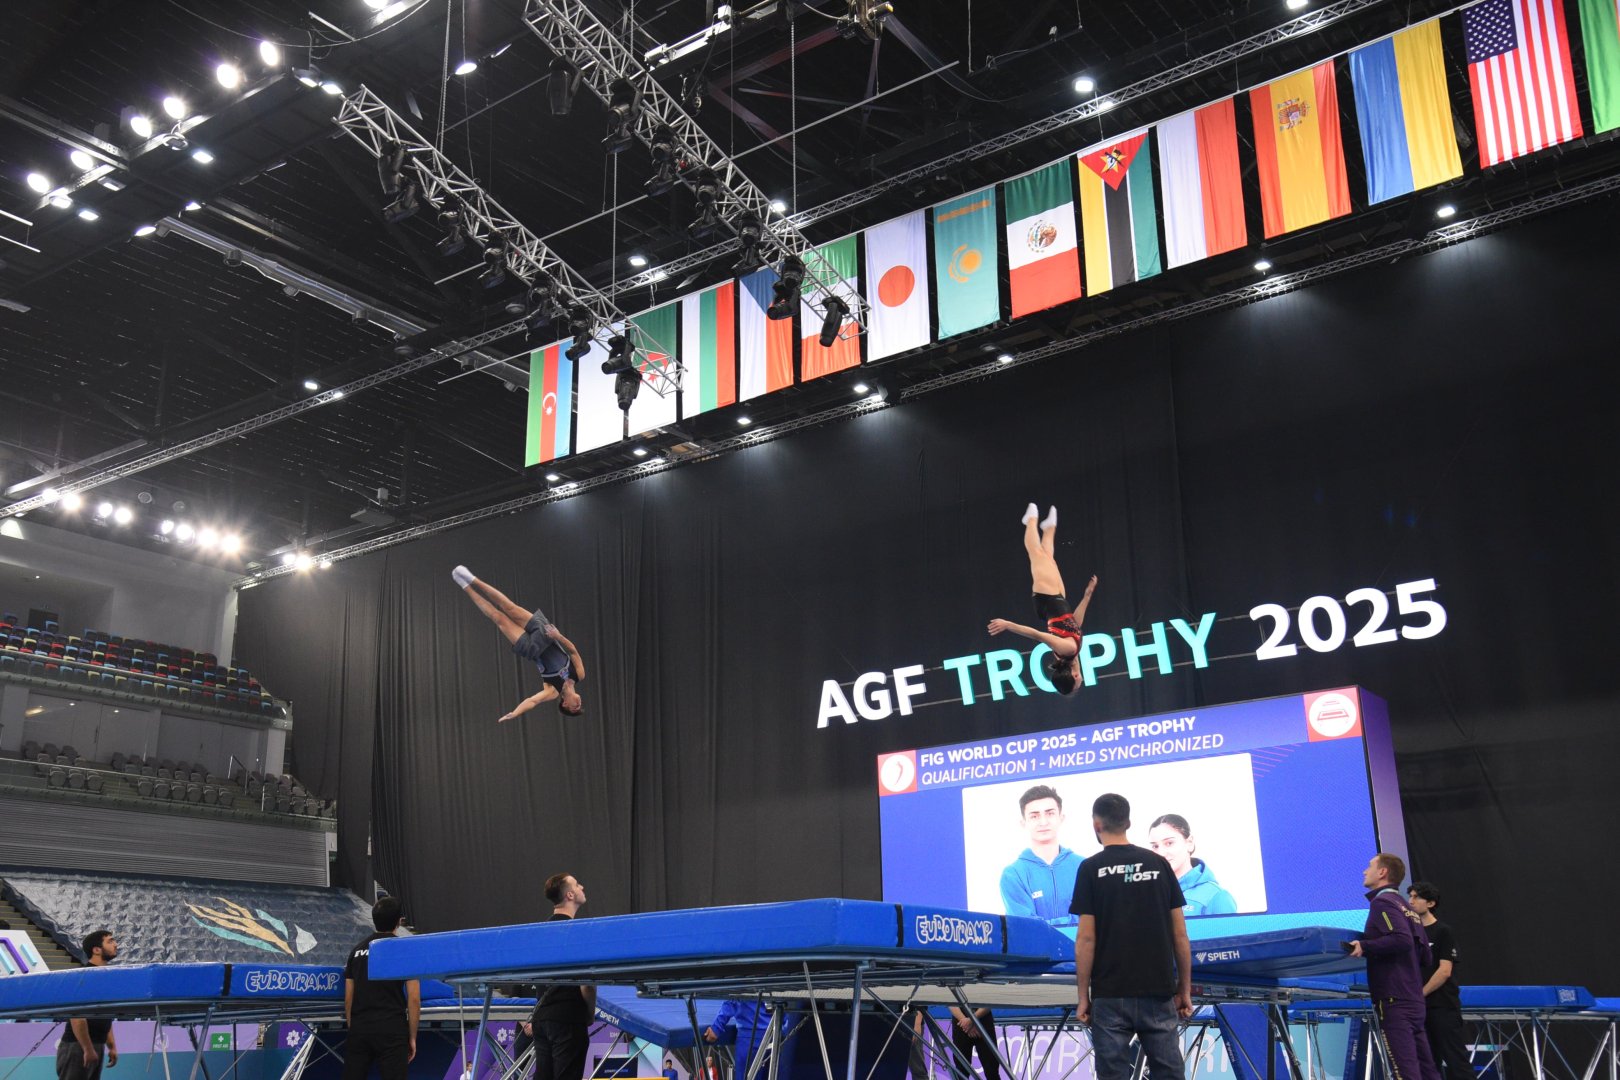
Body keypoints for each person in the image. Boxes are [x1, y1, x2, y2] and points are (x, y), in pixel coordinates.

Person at [1069, 793, 1191, 1080]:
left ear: (1096, 825)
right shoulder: (1159, 865)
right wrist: (1184, 988)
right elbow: (1180, 935)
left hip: (1109, 994)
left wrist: (1082, 996)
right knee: (1170, 1074)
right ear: (1129, 823)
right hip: (1158, 991)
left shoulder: (1090, 869)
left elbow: (1086, 940)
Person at [986, 505, 1096, 696]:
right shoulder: (1070, 656)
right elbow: (1075, 624)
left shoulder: (1067, 650)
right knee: (1048, 558)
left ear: (1074, 676)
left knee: (1036, 554)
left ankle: (1030, 521)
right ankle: (1048, 527)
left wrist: (1007, 624)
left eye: (1078, 684)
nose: (1082, 681)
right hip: (1059, 600)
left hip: (1047, 599)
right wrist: (1086, 597)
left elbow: (1037, 635)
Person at [1348, 855, 1440, 1080]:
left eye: (1369, 866)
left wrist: (1364, 946)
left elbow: (1401, 940)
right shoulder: (1406, 908)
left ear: (1382, 873)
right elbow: (1426, 956)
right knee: (1428, 1072)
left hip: (1394, 1000)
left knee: (1405, 1072)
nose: (1364, 871)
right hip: (1413, 999)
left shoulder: (1383, 903)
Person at [453, 566, 585, 720]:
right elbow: (573, 651)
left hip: (531, 648)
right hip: (547, 635)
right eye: (580, 706)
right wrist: (558, 636)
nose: (579, 704)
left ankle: (465, 586)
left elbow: (533, 700)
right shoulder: (579, 675)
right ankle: (473, 579)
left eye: (575, 707)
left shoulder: (553, 691)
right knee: (510, 607)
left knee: (498, 618)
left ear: (565, 704)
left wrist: (516, 712)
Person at [528, 874, 596, 1080]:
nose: (582, 886)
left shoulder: (539, 933)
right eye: (577, 884)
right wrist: (590, 1013)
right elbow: (587, 984)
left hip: (541, 1018)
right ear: (569, 895)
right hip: (568, 1018)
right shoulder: (578, 933)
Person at [343, 898, 420, 1080]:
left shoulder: (356, 951)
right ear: (399, 921)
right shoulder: (406, 951)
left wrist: (355, 1029)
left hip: (360, 1028)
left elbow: (349, 998)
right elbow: (414, 999)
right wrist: (412, 1037)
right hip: (391, 1029)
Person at [1407, 882, 1472, 1080]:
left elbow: (1444, 971)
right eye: (1410, 897)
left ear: (1431, 903)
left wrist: (1421, 993)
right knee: (1426, 1063)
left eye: (1416, 897)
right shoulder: (1410, 934)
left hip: (1443, 1006)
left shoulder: (1443, 931)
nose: (1411, 901)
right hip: (1420, 1009)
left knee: (1456, 1061)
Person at [1000, 785, 1082, 926]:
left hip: (1083, 948)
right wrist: (1074, 922)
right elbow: (1025, 927)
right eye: (1034, 816)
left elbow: (1094, 919)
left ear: (1061, 818)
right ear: (1023, 823)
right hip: (1038, 949)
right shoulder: (1013, 875)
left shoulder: (1084, 866)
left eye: (1050, 813)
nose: (1043, 822)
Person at [1146, 814, 1237, 917]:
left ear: (1189, 843)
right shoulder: (1148, 893)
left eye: (1169, 843)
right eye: (1155, 846)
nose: (1161, 853)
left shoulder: (1216, 896)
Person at [57, 930, 119, 1080]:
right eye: (110, 941)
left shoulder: (105, 978)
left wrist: (112, 1046)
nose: (115, 944)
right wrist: (87, 1048)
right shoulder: (84, 976)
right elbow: (77, 1017)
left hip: (96, 1045)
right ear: (96, 950)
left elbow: (106, 1015)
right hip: (78, 1046)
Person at [947, 1007, 1000, 1080]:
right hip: (961, 1023)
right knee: (961, 1070)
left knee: (991, 1069)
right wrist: (966, 1022)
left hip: (982, 1020)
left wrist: (971, 1020)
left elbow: (989, 1002)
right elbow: (951, 1002)